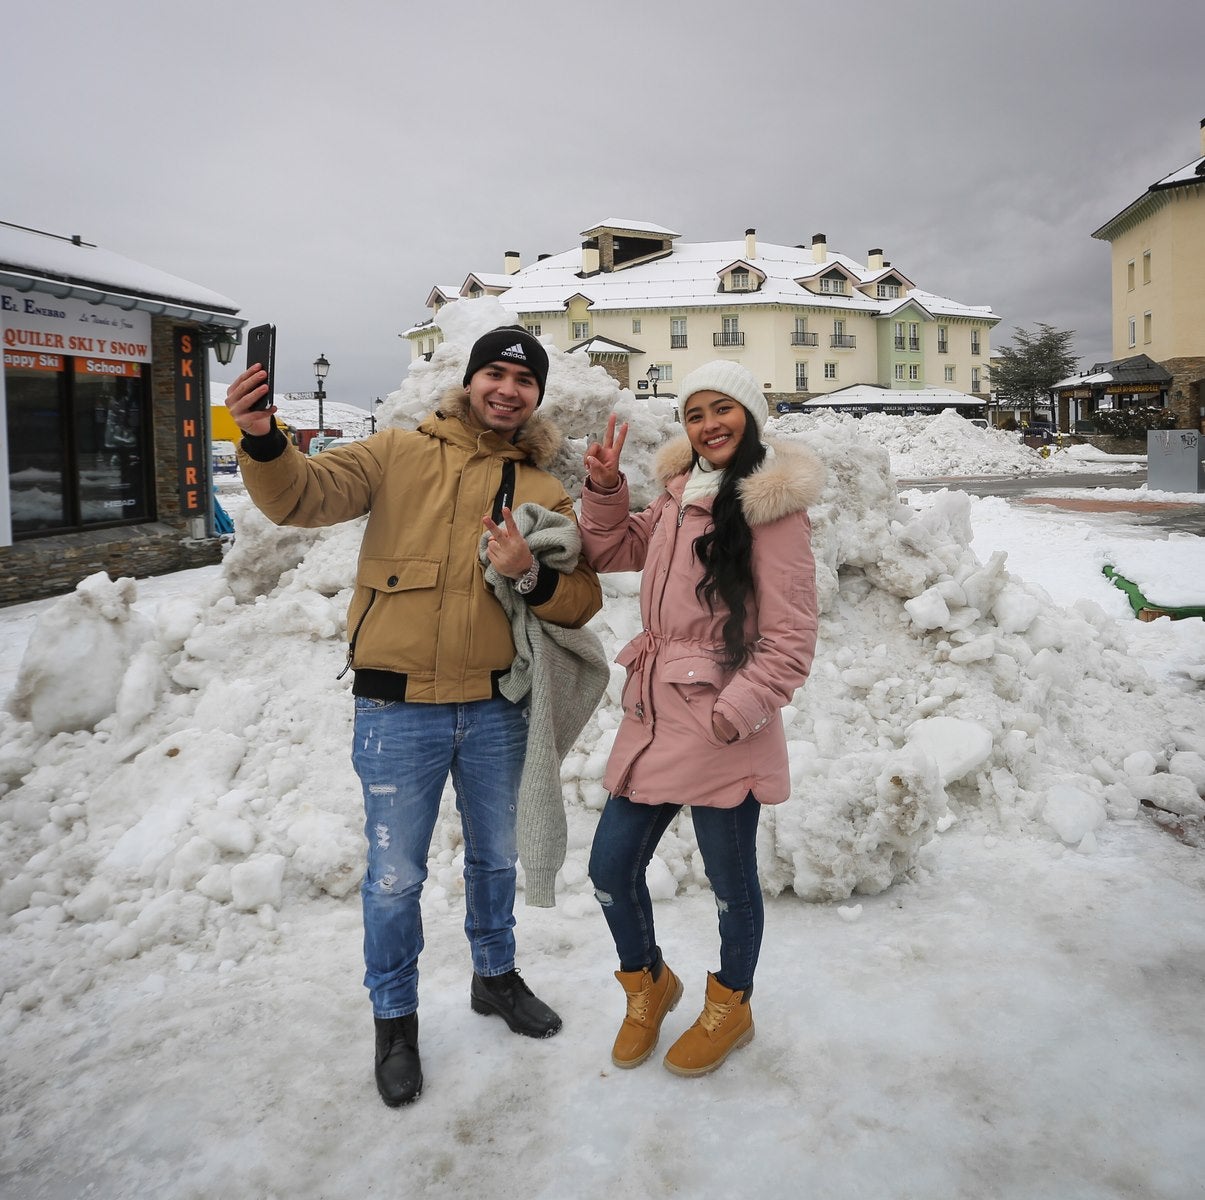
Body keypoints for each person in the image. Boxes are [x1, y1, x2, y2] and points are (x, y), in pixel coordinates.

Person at [225, 326, 603, 1108]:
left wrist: (527, 573)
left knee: (495, 860)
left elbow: (581, 599)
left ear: (536, 396)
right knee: (394, 879)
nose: (507, 389)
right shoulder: (395, 455)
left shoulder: (540, 488)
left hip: (496, 707)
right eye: (494, 373)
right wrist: (261, 438)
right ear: (470, 381)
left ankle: (494, 978)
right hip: (396, 710)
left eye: (523, 380)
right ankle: (393, 1020)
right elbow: (300, 495)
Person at [579, 359, 824, 1077]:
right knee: (608, 866)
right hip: (653, 712)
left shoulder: (771, 509)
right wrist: (602, 489)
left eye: (723, 409)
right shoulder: (678, 493)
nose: (708, 424)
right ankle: (648, 984)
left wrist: (731, 714)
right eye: (694, 414)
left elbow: (790, 641)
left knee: (729, 882)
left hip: (721, 722)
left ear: (749, 416)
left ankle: (731, 1003)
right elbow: (614, 549)